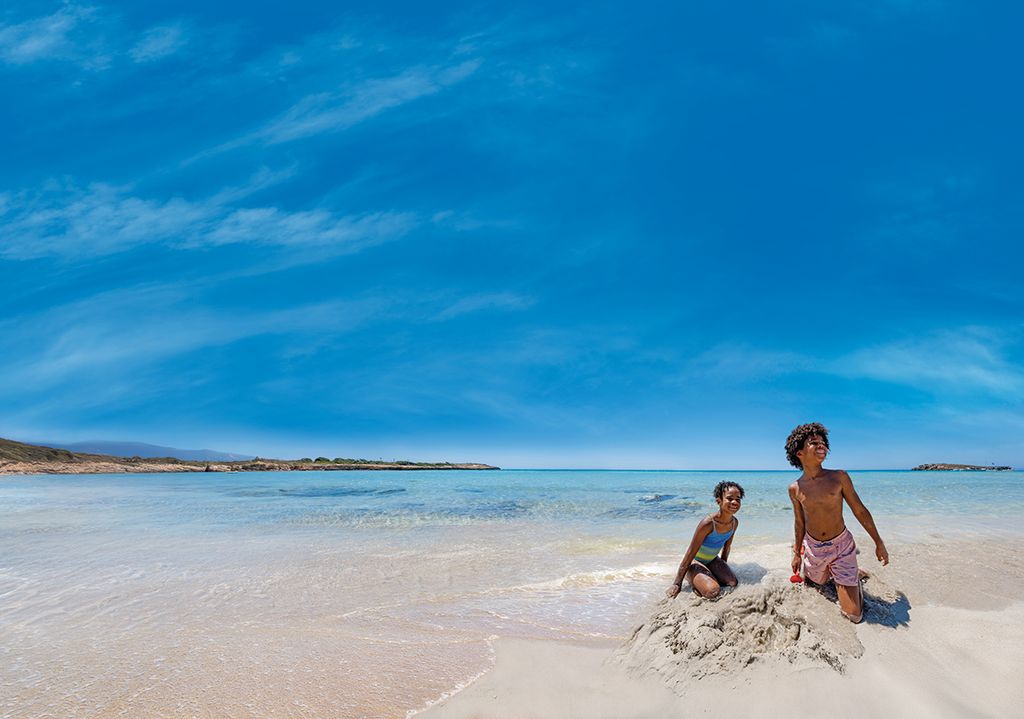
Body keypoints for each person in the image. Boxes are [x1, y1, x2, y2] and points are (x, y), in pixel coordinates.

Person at [786, 422, 889, 623]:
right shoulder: (795, 488)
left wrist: (879, 542)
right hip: (814, 548)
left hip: (840, 546)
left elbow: (860, 510)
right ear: (799, 453)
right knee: (816, 583)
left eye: (823, 442)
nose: (821, 445)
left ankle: (852, 576)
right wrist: (796, 553)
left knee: (853, 615)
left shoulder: (838, 477)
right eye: (814, 443)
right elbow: (799, 524)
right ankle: (842, 573)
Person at [666, 481, 744, 599]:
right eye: (729, 498)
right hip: (694, 562)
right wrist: (677, 583)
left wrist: (722, 569)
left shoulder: (734, 523)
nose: (734, 502)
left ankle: (704, 579)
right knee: (713, 591)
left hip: (712, 560)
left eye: (738, 499)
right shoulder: (708, 523)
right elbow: (690, 552)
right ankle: (693, 579)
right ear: (719, 501)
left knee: (732, 583)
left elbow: (726, 548)